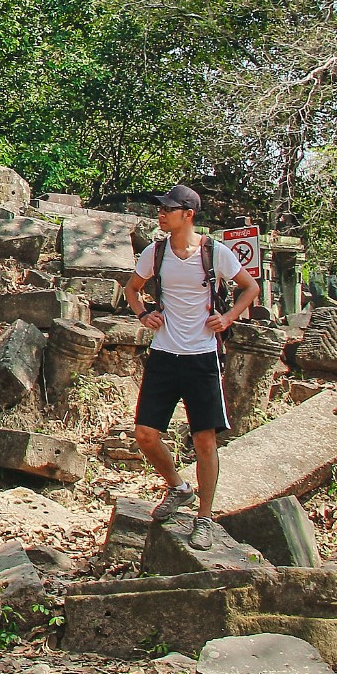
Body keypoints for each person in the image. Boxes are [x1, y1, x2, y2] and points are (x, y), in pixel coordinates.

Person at [121, 184, 260, 549]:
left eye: (168, 209)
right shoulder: (156, 251)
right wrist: (144, 314)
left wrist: (228, 317)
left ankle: (205, 518)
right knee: (145, 435)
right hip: (165, 353)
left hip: (202, 356)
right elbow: (131, 289)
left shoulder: (215, 253)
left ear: (188, 214)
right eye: (160, 209)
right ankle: (178, 487)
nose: (161, 214)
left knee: (205, 440)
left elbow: (250, 287)